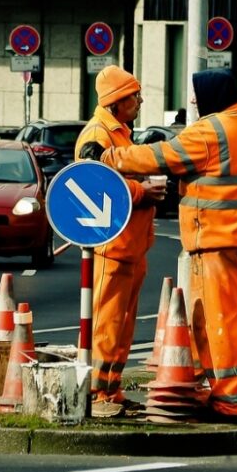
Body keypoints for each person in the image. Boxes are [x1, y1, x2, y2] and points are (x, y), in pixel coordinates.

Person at [85, 69, 237, 424]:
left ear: (209, 96)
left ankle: (229, 400)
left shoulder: (211, 129)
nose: (193, 101)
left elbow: (161, 157)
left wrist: (109, 158)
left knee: (219, 321)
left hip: (219, 241)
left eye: (196, 94)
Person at [74, 65, 166, 418]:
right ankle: (99, 392)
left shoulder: (118, 134)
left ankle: (110, 389)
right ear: (116, 102)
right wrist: (143, 190)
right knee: (107, 322)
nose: (140, 100)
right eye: (134, 95)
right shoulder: (97, 136)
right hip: (113, 246)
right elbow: (94, 183)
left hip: (128, 245)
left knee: (122, 322)